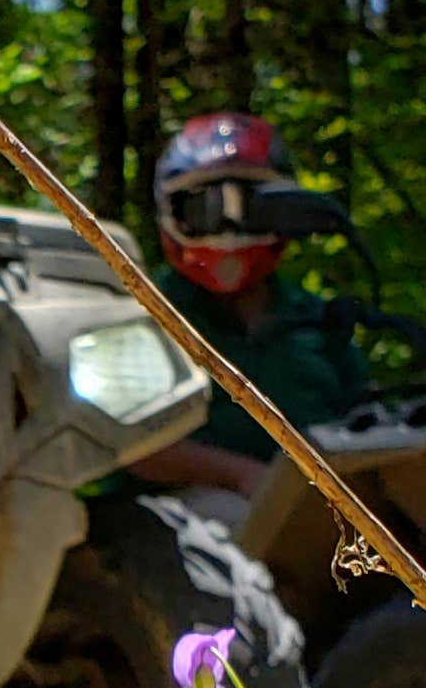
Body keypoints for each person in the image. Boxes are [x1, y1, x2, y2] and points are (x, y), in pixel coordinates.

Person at [138, 111, 370, 506]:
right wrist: (244, 477)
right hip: (175, 516)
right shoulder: (141, 314)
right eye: (204, 209)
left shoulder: (317, 318)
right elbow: (129, 443)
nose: (229, 231)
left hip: (313, 512)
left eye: (252, 207)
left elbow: (359, 420)